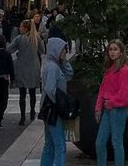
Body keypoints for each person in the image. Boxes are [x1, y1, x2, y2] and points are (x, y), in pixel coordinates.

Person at [95, 40, 128, 166]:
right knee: (100, 142)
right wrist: (98, 107)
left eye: (115, 49)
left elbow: (126, 95)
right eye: (110, 49)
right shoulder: (109, 69)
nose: (112, 52)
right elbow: (102, 88)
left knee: (116, 142)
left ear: (121, 52)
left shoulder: (124, 71)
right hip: (108, 108)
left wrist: (112, 102)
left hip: (118, 109)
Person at [40, 38, 73, 166]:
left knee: (49, 144)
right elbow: (50, 89)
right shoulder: (53, 67)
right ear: (55, 50)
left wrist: (64, 61)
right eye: (63, 49)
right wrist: (61, 104)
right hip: (53, 111)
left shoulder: (53, 65)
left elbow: (69, 74)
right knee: (60, 145)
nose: (65, 51)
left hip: (48, 110)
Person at [8, 18, 43, 124]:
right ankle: (32, 111)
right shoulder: (36, 38)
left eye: (21, 26)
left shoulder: (19, 39)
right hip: (34, 66)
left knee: (22, 93)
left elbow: (9, 49)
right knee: (32, 92)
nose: (19, 28)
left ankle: (22, 116)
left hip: (22, 66)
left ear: (25, 28)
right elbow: (42, 50)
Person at [0, 31, 15, 127]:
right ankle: (0, 115)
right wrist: (12, 79)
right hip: (4, 78)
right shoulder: (7, 54)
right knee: (3, 97)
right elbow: (11, 67)